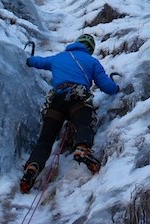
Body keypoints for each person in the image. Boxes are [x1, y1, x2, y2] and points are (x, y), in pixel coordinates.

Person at [20, 34, 119, 193]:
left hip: (56, 101)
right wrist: (116, 88)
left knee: (45, 139)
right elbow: (106, 86)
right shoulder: (92, 61)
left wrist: (28, 59)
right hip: (77, 99)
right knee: (84, 123)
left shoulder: (59, 57)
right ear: (90, 49)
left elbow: (37, 62)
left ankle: (32, 167)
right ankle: (82, 148)